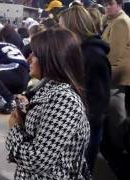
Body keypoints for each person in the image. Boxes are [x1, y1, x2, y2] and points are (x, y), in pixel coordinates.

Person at [5, 28, 90, 179]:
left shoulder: (64, 100)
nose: (29, 59)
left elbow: (36, 161)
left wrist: (15, 128)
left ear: (50, 59)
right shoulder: (49, 89)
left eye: (35, 54)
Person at [59, 5, 111, 173]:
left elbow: (98, 102)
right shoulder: (80, 52)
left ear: (74, 28)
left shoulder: (93, 56)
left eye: (62, 29)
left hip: (85, 132)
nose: (61, 34)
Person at [101, 0, 130, 178]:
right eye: (105, 4)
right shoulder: (115, 20)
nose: (106, 7)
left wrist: (104, 76)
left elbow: (114, 54)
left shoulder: (120, 21)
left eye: (110, 3)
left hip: (116, 76)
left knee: (116, 113)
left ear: (119, 4)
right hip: (116, 75)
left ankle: (121, 148)